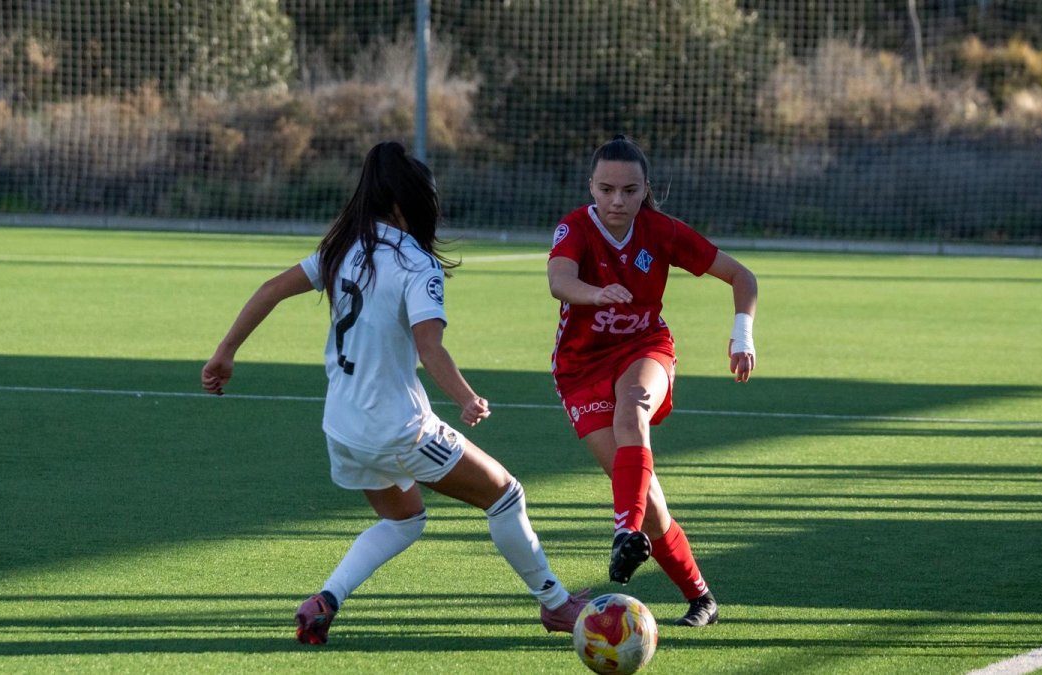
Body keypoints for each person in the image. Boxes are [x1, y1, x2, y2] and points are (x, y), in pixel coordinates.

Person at [202, 141, 588, 645]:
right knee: (505, 495)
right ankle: (557, 606)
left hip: (342, 428)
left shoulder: (342, 249)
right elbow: (431, 350)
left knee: (405, 521)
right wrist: (467, 397)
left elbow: (272, 288)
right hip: (398, 428)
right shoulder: (417, 265)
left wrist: (224, 353)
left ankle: (326, 599)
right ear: (412, 203)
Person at [546, 135, 758, 627]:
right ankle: (701, 597)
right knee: (652, 507)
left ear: (646, 190)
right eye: (606, 189)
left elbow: (742, 277)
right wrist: (594, 295)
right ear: (591, 188)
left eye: (629, 190)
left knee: (633, 409)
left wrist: (741, 336)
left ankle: (623, 534)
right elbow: (559, 280)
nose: (617, 200)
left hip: (645, 349)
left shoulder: (661, 232)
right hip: (579, 370)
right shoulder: (575, 227)